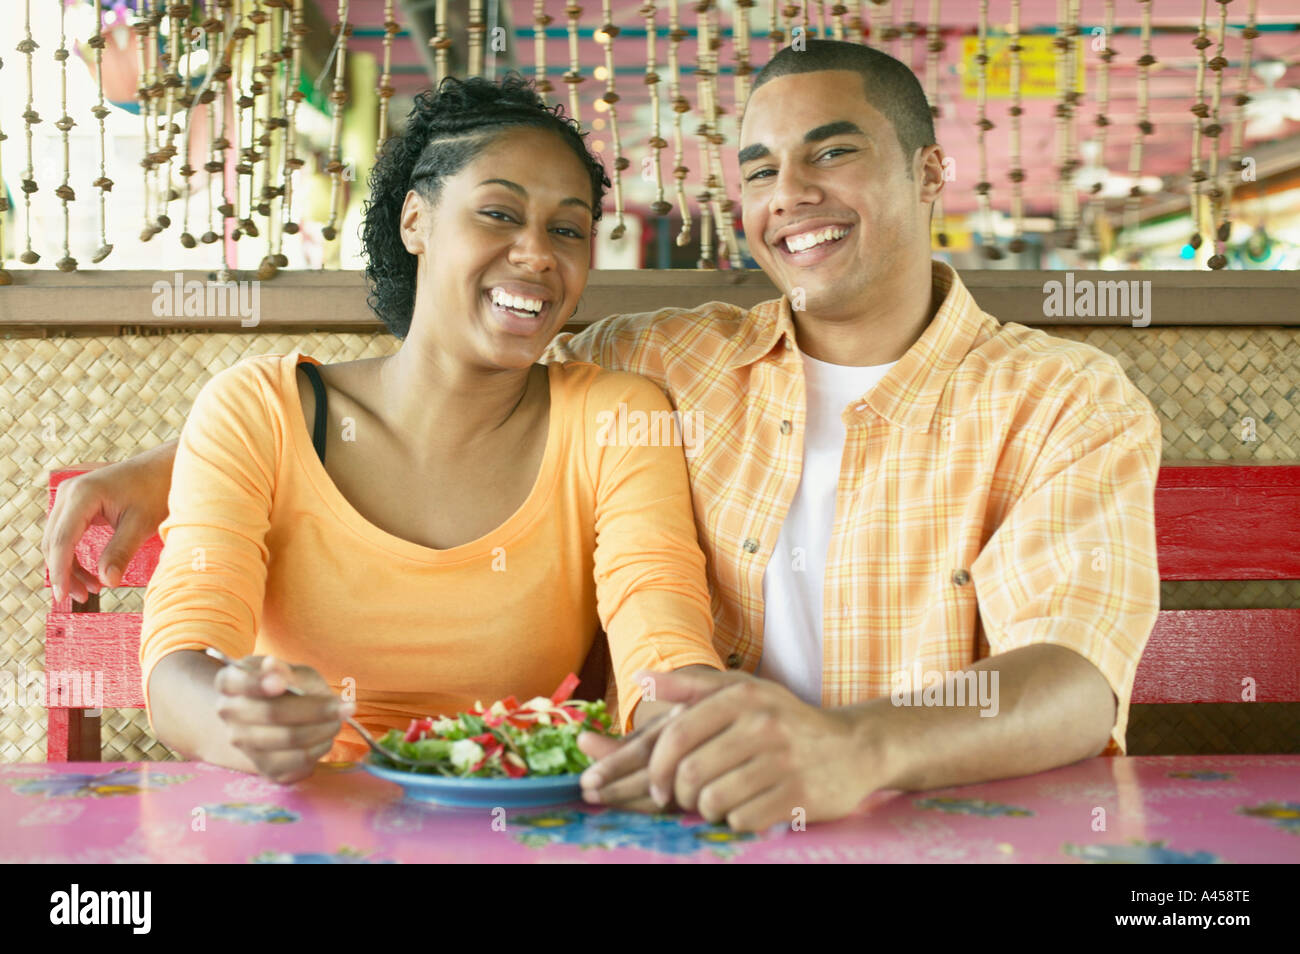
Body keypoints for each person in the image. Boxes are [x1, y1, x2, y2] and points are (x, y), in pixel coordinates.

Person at [44, 41, 1161, 829]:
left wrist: (856, 747)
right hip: (695, 815)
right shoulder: (672, 363)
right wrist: (195, 464)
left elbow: (1069, 680)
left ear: (927, 173)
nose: (792, 193)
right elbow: (455, 375)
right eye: (761, 169)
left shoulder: (1060, 395)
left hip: (943, 825)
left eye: (833, 154)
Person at [122, 75, 722, 784]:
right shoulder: (259, 410)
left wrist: (677, 735)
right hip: (304, 816)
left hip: (515, 827)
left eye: (567, 229)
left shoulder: (616, 419)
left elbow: (661, 632)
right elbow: (181, 664)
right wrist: (236, 716)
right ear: (416, 221)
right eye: (499, 213)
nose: (537, 254)